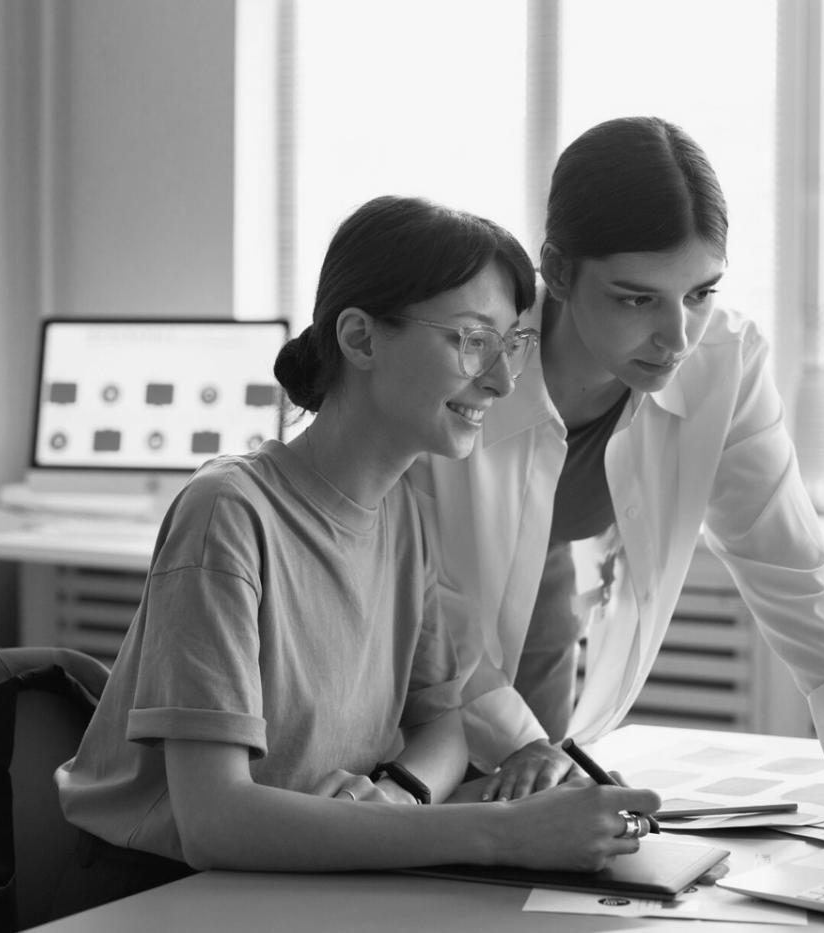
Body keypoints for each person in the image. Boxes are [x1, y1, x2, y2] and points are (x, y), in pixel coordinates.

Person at [50, 195, 662, 919]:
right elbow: (214, 821)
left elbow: (443, 719)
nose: (499, 381)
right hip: (164, 896)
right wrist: (499, 832)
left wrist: (400, 793)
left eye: (509, 345)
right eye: (471, 341)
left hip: (311, 880)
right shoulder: (229, 513)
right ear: (361, 339)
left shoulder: (407, 511)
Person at [408, 116, 824, 816]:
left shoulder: (721, 362)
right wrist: (520, 741)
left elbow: (790, 564)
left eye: (700, 293)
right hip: (410, 665)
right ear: (555, 269)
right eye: (635, 298)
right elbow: (429, 603)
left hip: (540, 623)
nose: (675, 338)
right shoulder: (465, 367)